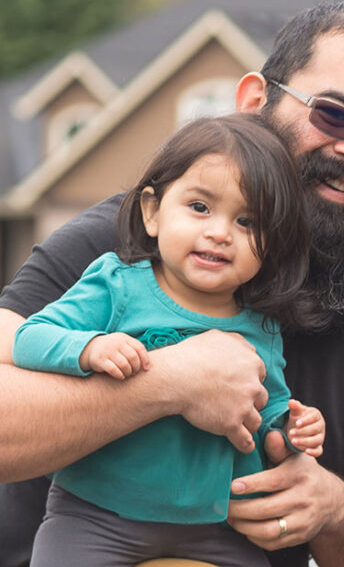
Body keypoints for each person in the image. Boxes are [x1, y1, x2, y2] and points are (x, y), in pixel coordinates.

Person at [0, 1, 344, 567]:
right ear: (254, 102)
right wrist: (166, 384)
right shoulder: (122, 242)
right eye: (334, 115)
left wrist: (334, 508)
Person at [13, 113, 325, 566]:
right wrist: (88, 349)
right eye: (200, 207)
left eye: (247, 221)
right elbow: (29, 338)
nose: (220, 232)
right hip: (95, 516)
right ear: (153, 211)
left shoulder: (261, 326)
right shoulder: (116, 285)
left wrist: (292, 432)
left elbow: (265, 417)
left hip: (218, 529)